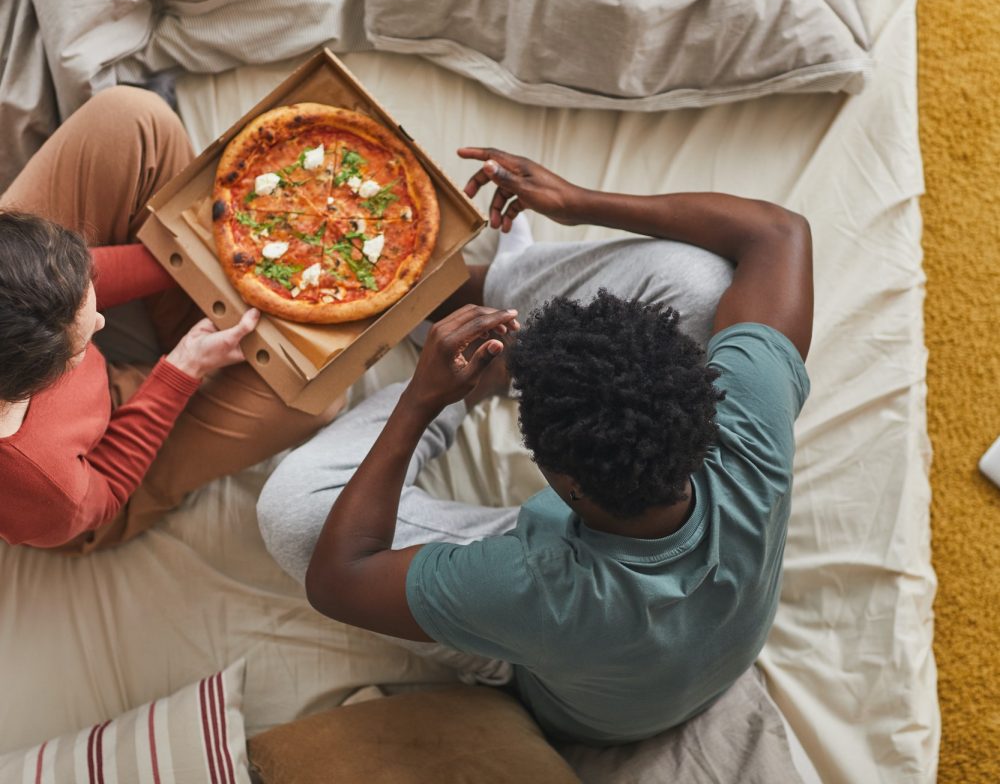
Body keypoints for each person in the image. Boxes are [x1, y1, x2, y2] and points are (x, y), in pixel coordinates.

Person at [256, 147, 812, 744]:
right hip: (675, 652)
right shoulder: (752, 415)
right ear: (703, 403)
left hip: (547, 662)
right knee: (702, 283)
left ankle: (477, 363)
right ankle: (500, 302)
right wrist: (578, 203)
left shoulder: (535, 590)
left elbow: (338, 580)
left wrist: (425, 402)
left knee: (292, 512)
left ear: (563, 483)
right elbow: (779, 232)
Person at [0, 86, 339, 553]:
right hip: (99, 468)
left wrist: (207, 256)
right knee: (313, 390)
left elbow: (62, 290)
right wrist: (182, 371)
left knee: (131, 118)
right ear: (32, 385)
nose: (101, 323)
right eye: (79, 344)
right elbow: (107, 488)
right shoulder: (45, 485)